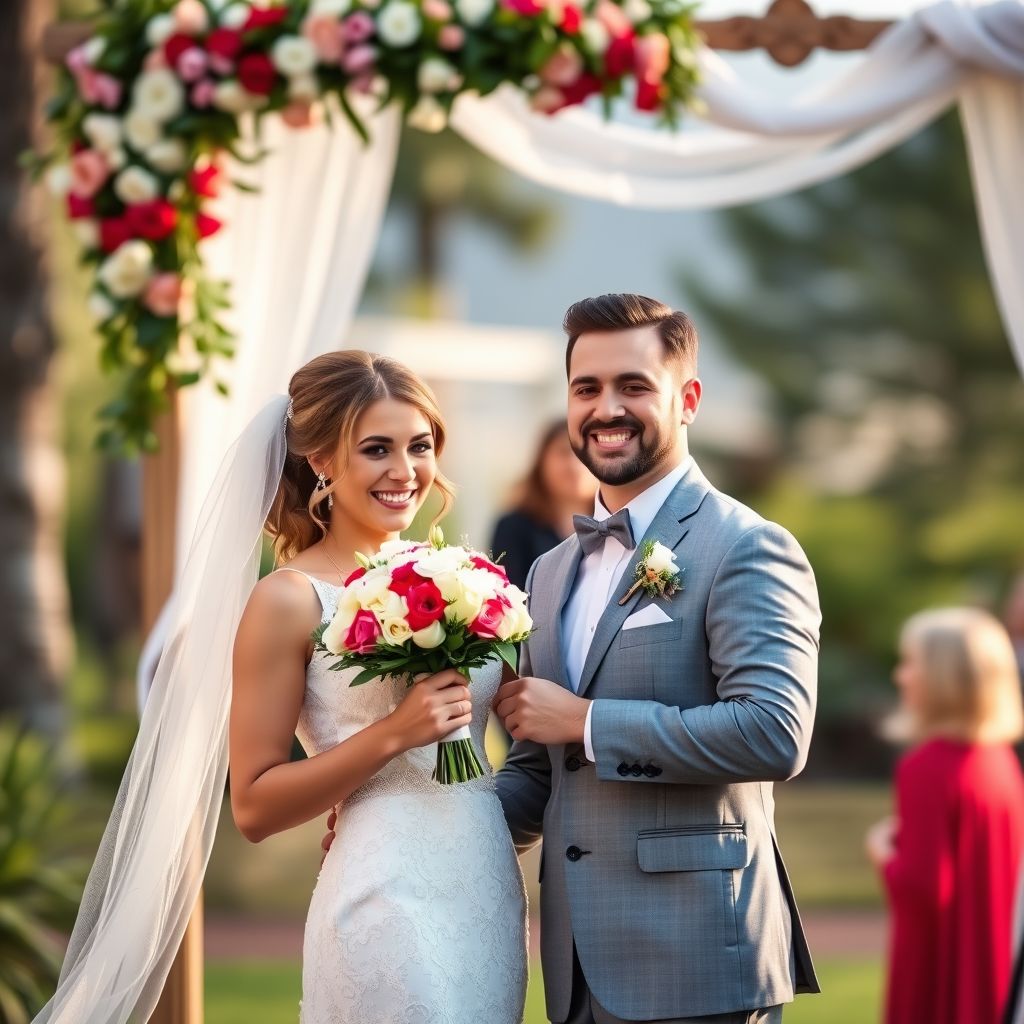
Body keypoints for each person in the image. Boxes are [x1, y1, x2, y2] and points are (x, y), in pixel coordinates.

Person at [35, 351, 527, 1024]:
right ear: (321, 460)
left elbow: (520, 735)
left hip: (485, 890)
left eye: (419, 446)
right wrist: (392, 735)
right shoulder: (289, 601)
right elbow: (255, 805)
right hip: (384, 899)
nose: (405, 471)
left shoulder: (467, 581)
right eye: (376, 448)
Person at [491, 293, 822, 1024]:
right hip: (576, 970)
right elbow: (540, 765)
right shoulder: (547, 573)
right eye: (587, 388)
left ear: (688, 398)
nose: (607, 407)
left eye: (633, 386)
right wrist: (420, 821)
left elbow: (773, 730)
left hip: (699, 964)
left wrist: (588, 721)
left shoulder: (746, 545)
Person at [865, 607, 1024, 1024]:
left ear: (943, 678)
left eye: (911, 663)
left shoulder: (927, 767)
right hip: (997, 955)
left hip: (943, 965)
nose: (901, 676)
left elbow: (924, 888)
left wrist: (882, 852)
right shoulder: (1000, 761)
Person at [490, 419, 597, 590]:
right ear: (541, 461)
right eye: (563, 453)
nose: (574, 465)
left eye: (585, 453)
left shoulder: (617, 529)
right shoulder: (513, 528)